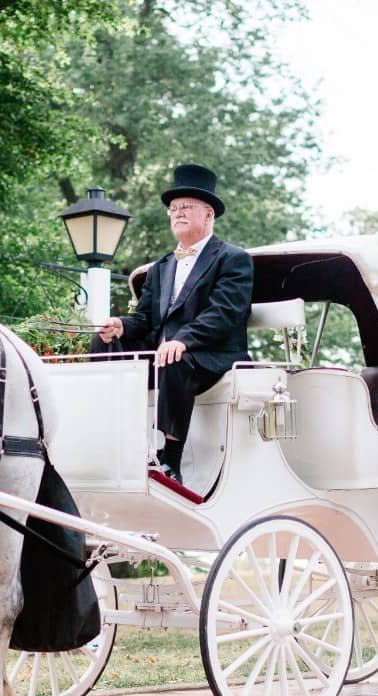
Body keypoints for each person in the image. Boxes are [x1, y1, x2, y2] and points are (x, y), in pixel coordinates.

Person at [94, 164, 253, 484]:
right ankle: (111, 438)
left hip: (211, 354)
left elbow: (225, 312)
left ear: (208, 215)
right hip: (164, 354)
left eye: (186, 207)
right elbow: (145, 319)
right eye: (173, 208)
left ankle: (171, 460)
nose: (177, 213)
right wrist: (120, 326)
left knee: (174, 356)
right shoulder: (161, 266)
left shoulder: (232, 259)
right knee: (103, 341)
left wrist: (184, 339)